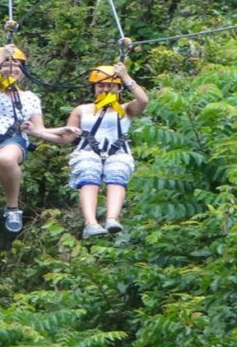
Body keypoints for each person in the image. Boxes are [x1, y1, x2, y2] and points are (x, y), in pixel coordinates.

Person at [0, 44, 74, 233]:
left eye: (16, 66)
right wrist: (0, 56)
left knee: (6, 159)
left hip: (12, 136)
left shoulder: (29, 98)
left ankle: (12, 208)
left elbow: (39, 130)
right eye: (6, 65)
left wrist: (62, 132)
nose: (11, 69)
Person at [25, 62, 148, 238]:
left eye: (110, 85)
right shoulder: (82, 110)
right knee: (89, 176)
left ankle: (112, 218)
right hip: (88, 151)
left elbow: (143, 100)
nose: (105, 89)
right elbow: (67, 137)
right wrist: (37, 133)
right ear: (94, 88)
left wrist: (126, 77)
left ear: (118, 88)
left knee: (117, 175)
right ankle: (90, 223)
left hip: (118, 152)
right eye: (101, 85)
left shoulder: (127, 109)